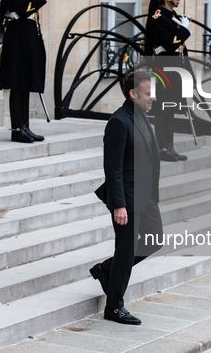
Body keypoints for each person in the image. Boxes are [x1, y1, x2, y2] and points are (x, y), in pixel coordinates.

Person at [90, 70, 163, 325]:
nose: (153, 97)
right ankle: (114, 307)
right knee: (126, 250)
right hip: (128, 199)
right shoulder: (119, 122)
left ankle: (107, 270)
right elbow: (113, 168)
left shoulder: (142, 116)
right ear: (132, 94)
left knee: (154, 239)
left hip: (146, 196)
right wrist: (118, 204)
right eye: (147, 93)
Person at [0, 0, 47, 143]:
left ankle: (25, 126)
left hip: (29, 33)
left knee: (26, 81)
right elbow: (24, 9)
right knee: (17, 83)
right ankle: (17, 130)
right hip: (18, 35)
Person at [144, 0, 191, 162]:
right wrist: (184, 30)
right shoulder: (159, 17)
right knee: (163, 109)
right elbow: (170, 44)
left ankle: (169, 147)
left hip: (174, 69)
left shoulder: (172, 16)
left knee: (170, 109)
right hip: (163, 70)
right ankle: (163, 148)